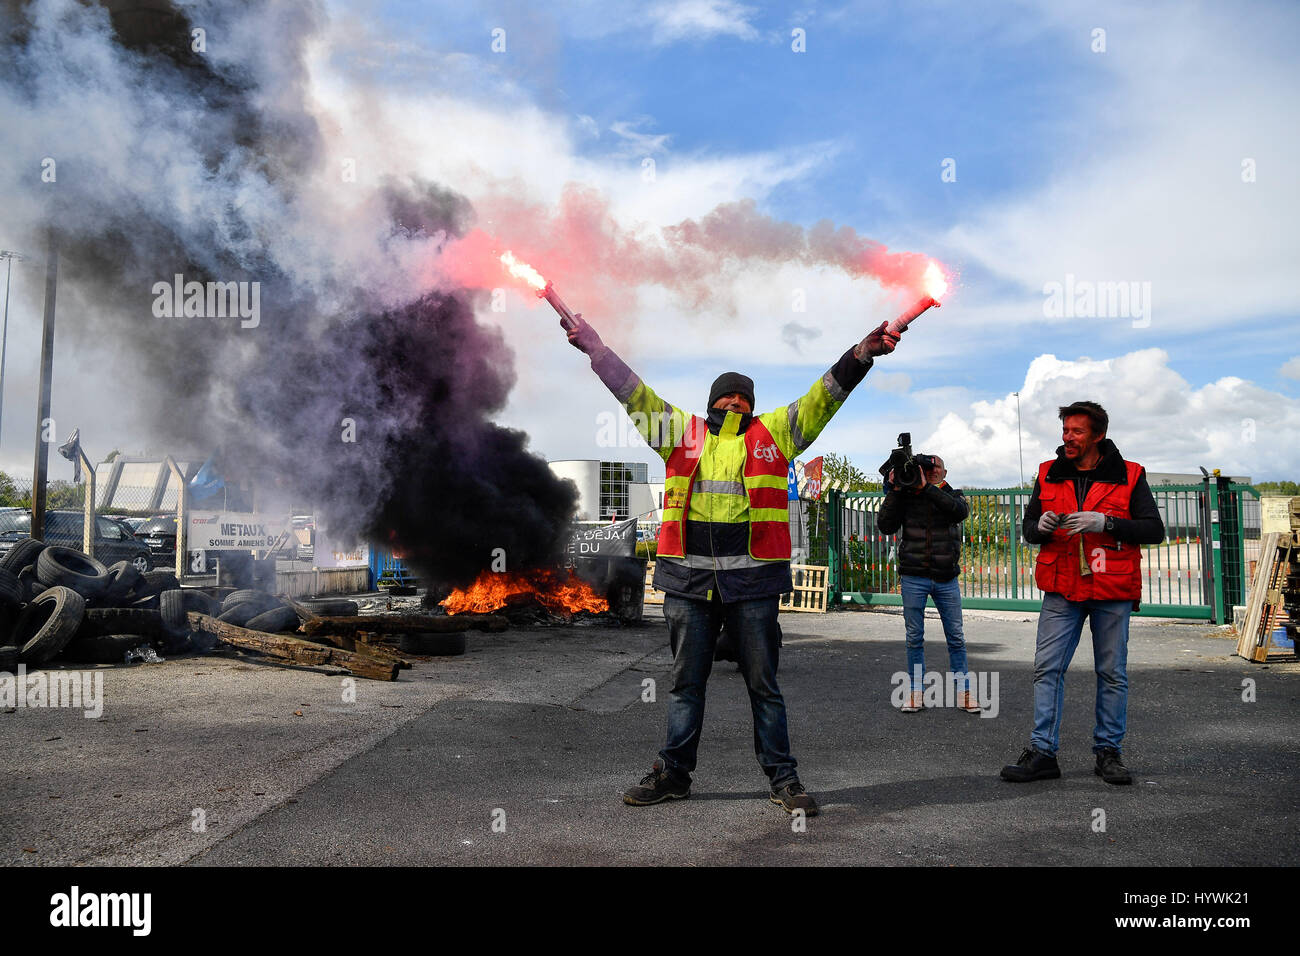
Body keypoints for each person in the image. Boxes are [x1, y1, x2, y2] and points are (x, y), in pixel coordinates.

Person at [563, 313, 903, 816]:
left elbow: (823, 396)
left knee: (764, 686)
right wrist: (593, 346)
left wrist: (861, 355)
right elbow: (632, 392)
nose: (736, 401)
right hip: (688, 584)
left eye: (744, 396)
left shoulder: (777, 434)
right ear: (711, 402)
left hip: (754, 586)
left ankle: (784, 780)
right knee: (684, 685)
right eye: (728, 395)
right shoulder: (679, 431)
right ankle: (674, 774)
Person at [1001, 401, 1165, 786]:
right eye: (1065, 430)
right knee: (1046, 669)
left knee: (1111, 672)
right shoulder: (1048, 473)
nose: (1067, 438)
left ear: (1098, 435)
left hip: (1111, 587)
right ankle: (1043, 753)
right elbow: (1028, 529)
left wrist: (1105, 522)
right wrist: (1039, 525)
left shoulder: (1130, 474)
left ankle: (1108, 753)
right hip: (1061, 587)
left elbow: (1154, 530)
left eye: (1076, 431)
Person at [876, 454, 977, 713]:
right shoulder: (907, 495)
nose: (932, 471)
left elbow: (958, 512)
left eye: (937, 467)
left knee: (956, 637)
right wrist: (896, 490)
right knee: (914, 638)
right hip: (913, 576)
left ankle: (964, 693)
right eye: (928, 468)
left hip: (946, 578)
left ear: (945, 472)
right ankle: (916, 693)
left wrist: (927, 489)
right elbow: (885, 526)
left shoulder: (955, 495)